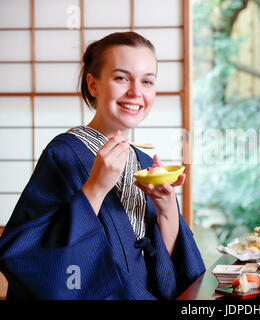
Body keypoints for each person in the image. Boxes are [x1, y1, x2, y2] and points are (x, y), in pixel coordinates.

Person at [0, 32, 205, 299]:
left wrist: (167, 211)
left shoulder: (142, 163)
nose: (136, 92)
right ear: (93, 85)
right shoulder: (64, 154)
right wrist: (96, 188)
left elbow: (165, 269)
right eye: (121, 78)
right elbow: (26, 253)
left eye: (147, 81)